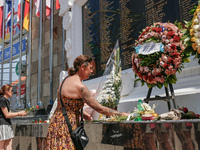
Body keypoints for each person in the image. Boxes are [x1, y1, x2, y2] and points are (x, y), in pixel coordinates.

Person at [45, 55, 129, 149]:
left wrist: (82, 112)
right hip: (66, 129)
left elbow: (66, 103)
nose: (92, 71)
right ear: (82, 67)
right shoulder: (80, 87)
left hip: (56, 125)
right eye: (90, 68)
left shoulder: (65, 80)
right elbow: (100, 108)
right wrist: (122, 114)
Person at [0, 84, 27, 150]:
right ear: (6, 91)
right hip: (3, 125)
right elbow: (7, 115)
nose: (12, 92)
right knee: (2, 146)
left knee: (9, 145)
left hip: (7, 124)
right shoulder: (2, 100)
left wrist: (21, 113)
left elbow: (9, 114)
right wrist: (19, 113)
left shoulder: (6, 100)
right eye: (11, 91)